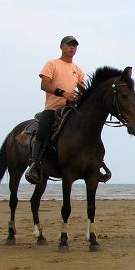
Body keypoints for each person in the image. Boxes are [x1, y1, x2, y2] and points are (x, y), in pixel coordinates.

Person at [25, 35, 86, 184]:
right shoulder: (52, 64)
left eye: (74, 46)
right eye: (69, 45)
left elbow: (83, 89)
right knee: (43, 131)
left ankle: (96, 163)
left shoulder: (77, 70)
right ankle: (35, 164)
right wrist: (63, 93)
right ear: (61, 46)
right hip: (52, 108)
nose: (72, 48)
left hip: (71, 109)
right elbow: (44, 85)